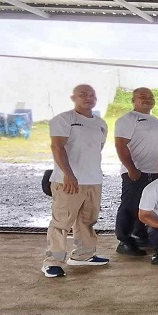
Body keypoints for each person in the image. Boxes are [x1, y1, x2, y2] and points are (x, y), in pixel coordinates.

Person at [41, 84, 110, 278]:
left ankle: (83, 255)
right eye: (83, 95)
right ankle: (52, 262)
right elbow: (57, 147)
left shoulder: (100, 123)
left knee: (87, 220)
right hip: (68, 180)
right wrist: (68, 174)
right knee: (62, 221)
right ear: (73, 98)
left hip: (93, 180)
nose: (88, 98)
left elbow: (96, 149)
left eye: (92, 95)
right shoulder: (63, 119)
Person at [114, 87, 158, 256]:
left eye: (151, 96)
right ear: (133, 100)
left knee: (146, 205)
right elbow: (120, 145)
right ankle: (124, 241)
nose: (147, 99)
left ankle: (140, 235)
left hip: (154, 171)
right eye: (142, 96)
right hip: (136, 171)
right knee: (130, 206)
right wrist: (131, 168)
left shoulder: (154, 119)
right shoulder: (128, 119)